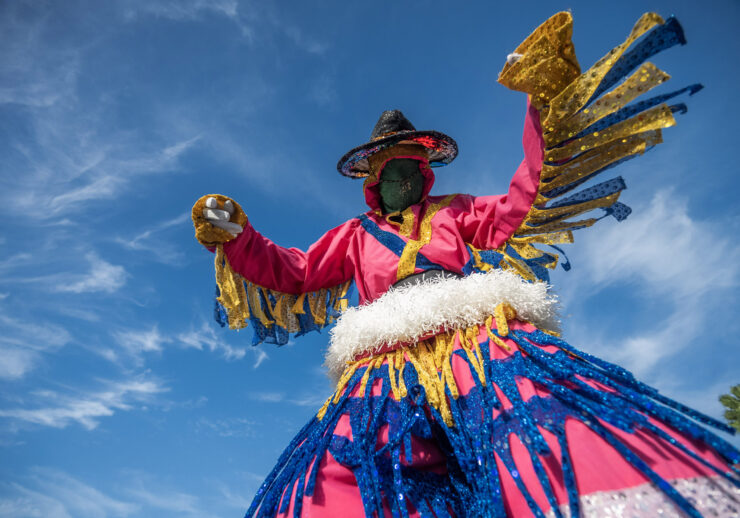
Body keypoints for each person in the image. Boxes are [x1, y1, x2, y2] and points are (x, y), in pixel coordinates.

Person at [192, 12, 739, 518]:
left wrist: (544, 105)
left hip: (476, 338)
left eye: (409, 167)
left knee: (530, 415)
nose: (400, 178)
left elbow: (522, 202)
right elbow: (295, 272)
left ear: (424, 174)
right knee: (359, 458)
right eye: (389, 171)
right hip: (384, 363)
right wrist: (239, 236)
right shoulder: (354, 235)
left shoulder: (457, 211)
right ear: (372, 182)